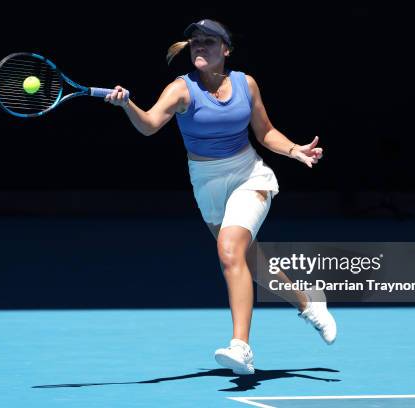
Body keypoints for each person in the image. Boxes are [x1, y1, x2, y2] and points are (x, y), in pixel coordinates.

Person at [105, 19, 337, 375]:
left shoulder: (246, 84)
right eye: (196, 42)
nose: (200, 47)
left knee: (229, 250)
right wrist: (127, 105)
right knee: (251, 265)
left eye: (209, 42)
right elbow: (150, 124)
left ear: (225, 50)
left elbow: (266, 131)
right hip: (207, 184)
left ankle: (241, 348)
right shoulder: (180, 90)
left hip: (249, 176)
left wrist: (294, 150)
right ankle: (308, 303)